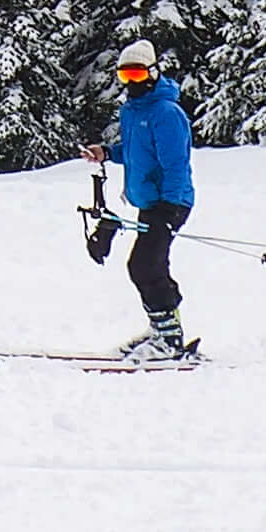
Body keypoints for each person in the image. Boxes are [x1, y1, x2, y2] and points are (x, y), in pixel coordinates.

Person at [85, 41, 195, 365]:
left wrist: (169, 209)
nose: (131, 82)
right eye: (124, 75)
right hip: (151, 202)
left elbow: (176, 164)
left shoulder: (166, 113)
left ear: (152, 72)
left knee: (144, 265)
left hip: (169, 202)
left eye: (136, 73)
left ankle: (169, 339)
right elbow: (137, 152)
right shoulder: (133, 112)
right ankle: (162, 330)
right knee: (147, 265)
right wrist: (107, 152)